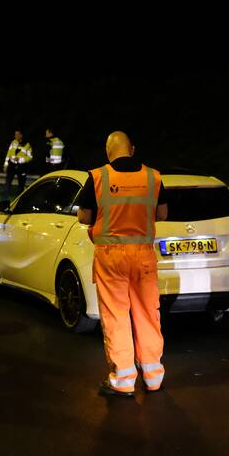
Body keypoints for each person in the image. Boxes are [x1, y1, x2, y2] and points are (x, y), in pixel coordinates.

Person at [76, 131, 167, 396]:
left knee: (117, 316)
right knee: (148, 314)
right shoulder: (153, 176)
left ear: (108, 152)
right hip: (144, 256)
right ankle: (153, 377)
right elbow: (161, 213)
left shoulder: (97, 177)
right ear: (133, 149)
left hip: (111, 257)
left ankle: (124, 380)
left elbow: (84, 217)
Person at [2, 129, 33, 197]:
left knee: (21, 185)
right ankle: (5, 199)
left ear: (21, 135)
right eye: (15, 134)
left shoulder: (27, 145)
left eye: (17, 134)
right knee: (7, 183)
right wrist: (5, 165)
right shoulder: (13, 142)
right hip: (12, 165)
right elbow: (8, 154)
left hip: (21, 166)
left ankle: (18, 200)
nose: (15, 136)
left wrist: (20, 159)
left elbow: (30, 157)